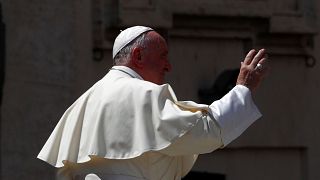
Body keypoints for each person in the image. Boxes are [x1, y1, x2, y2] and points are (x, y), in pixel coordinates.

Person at [37, 26, 269, 180]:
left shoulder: (83, 101)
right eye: (163, 56)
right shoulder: (143, 94)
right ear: (137, 56)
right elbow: (205, 131)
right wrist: (242, 89)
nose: (168, 66)